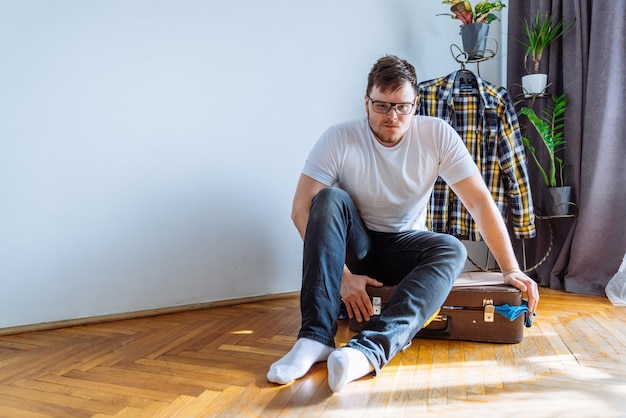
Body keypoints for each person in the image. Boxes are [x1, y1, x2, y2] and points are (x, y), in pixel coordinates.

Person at [267, 55, 539, 393]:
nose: (391, 116)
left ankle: (368, 352)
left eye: (401, 107)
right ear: (366, 103)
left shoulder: (437, 135)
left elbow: (479, 202)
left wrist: (509, 268)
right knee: (327, 199)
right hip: (356, 248)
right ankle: (315, 338)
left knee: (451, 248)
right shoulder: (338, 138)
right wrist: (345, 278)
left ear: (415, 105)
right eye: (381, 106)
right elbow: (299, 210)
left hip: (405, 246)